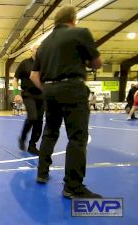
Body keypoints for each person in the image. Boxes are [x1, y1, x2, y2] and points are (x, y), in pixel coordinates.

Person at [29, 5, 102, 198]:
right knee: (77, 137)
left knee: (50, 133)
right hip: (72, 88)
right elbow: (97, 63)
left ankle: (42, 173)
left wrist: (48, 89)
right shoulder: (80, 33)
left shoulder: (43, 45)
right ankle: (73, 186)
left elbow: (34, 76)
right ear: (74, 19)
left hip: (50, 91)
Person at [13, 46, 43, 155]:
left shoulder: (44, 64)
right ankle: (22, 137)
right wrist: (16, 94)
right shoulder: (24, 63)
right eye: (36, 48)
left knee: (39, 121)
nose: (38, 50)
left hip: (41, 95)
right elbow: (15, 79)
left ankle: (32, 145)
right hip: (28, 94)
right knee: (32, 117)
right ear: (31, 50)